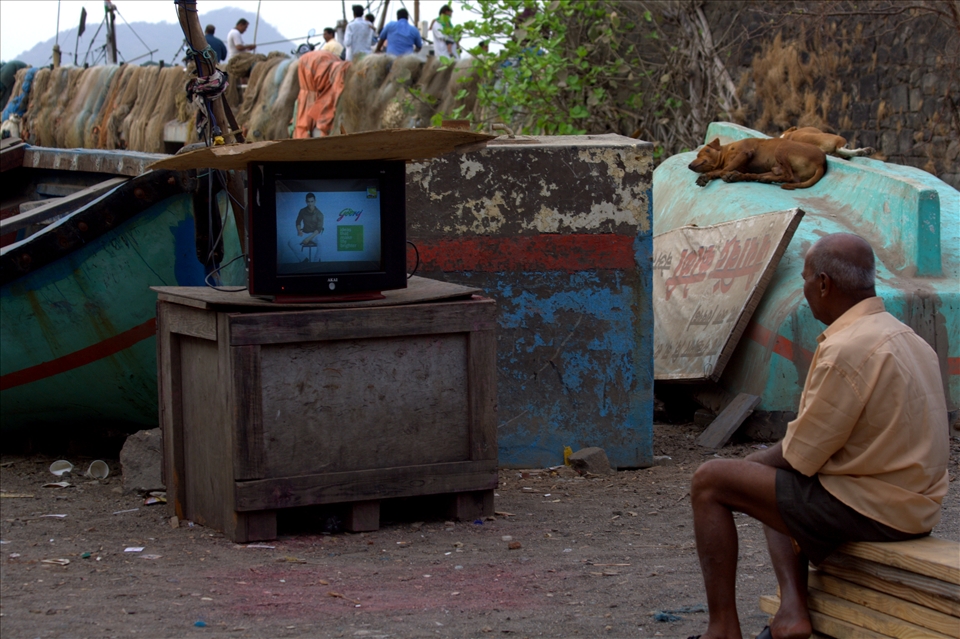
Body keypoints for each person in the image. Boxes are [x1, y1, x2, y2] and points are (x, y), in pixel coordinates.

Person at [689, 233, 949, 639]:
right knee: (769, 484)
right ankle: (791, 611)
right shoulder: (911, 340)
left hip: (874, 511)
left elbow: (798, 455)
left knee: (711, 480)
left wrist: (746, 466)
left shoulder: (848, 347)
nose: (806, 290)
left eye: (806, 280)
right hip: (917, 507)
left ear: (824, 284)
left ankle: (722, 629)